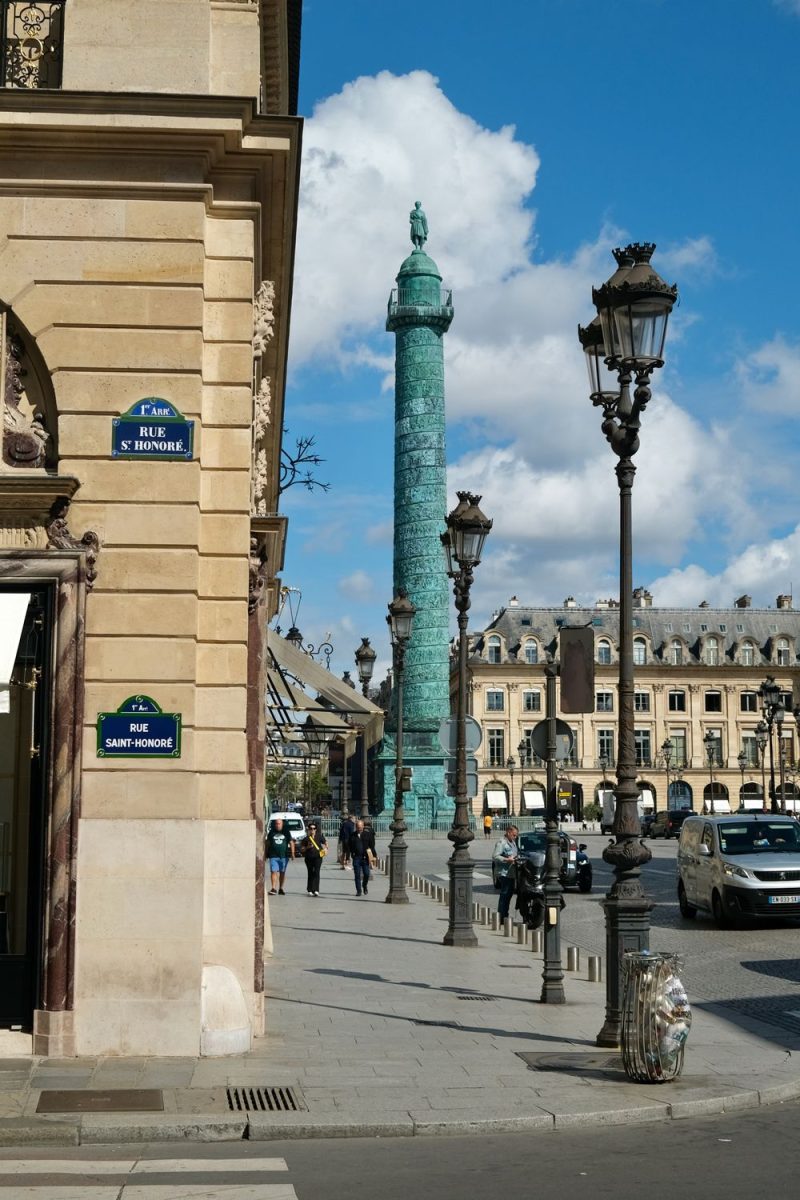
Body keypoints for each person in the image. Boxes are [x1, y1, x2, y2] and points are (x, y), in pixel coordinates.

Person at [493, 824, 519, 921]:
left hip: (511, 872)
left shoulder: (512, 842)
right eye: (514, 835)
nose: (515, 837)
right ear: (508, 833)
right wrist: (507, 859)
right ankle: (501, 917)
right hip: (503, 872)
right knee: (505, 894)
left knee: (509, 894)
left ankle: (504, 915)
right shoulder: (502, 842)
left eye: (516, 835)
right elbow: (495, 856)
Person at [265, 817, 294, 896]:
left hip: (283, 856)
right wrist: (265, 853)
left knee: (282, 872)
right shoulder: (271, 832)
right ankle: (273, 888)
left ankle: (281, 888)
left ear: (282, 824)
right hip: (273, 855)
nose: (277, 825)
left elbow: (291, 842)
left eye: (279, 824)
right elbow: (267, 843)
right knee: (273, 871)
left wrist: (292, 854)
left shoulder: (286, 832)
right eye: (276, 824)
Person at [299, 821, 327, 896]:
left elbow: (325, 843)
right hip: (309, 858)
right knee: (310, 873)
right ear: (308, 829)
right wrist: (307, 847)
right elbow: (301, 849)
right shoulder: (306, 839)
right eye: (310, 828)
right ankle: (310, 889)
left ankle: (316, 890)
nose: (312, 830)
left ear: (316, 829)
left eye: (314, 828)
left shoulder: (319, 836)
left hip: (318, 857)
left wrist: (325, 848)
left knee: (317, 872)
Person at [349, 818, 376, 897]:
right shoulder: (352, 835)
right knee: (357, 875)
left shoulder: (368, 834)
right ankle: (359, 890)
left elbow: (372, 846)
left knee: (367, 874)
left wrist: (374, 856)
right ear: (356, 827)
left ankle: (364, 885)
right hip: (356, 857)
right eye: (357, 826)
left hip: (365, 858)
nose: (359, 828)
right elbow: (349, 846)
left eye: (360, 826)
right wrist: (351, 855)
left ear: (363, 826)